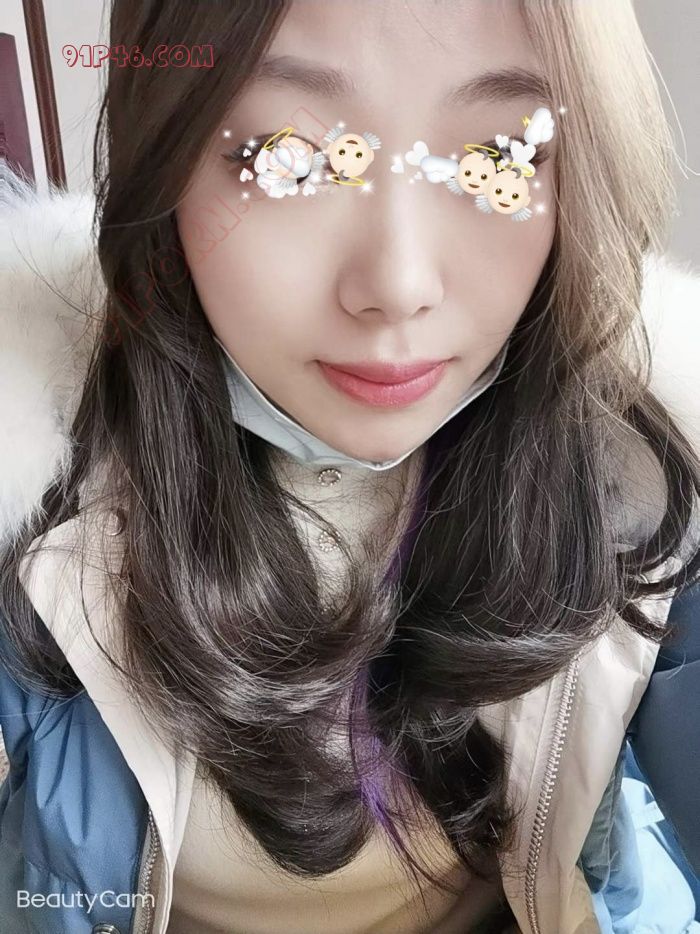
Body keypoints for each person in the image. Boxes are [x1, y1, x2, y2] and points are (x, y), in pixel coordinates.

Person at [1, 1, 699, 932]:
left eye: (500, 157)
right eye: (290, 159)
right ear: (160, 162)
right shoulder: (31, 481)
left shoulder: (648, 481)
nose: (400, 285)